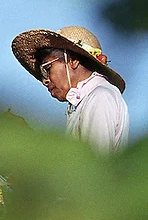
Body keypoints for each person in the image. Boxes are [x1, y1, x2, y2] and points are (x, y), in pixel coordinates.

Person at [11, 25, 129, 153]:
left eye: (47, 69)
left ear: (73, 60)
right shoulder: (88, 99)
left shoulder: (99, 96)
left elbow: (93, 166)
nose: (45, 80)